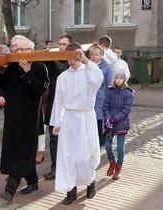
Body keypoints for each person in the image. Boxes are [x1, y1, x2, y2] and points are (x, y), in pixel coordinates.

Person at [0, 35, 49, 202]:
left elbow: (40, 90)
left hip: (30, 117)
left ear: (30, 50)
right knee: (19, 151)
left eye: (21, 48)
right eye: (14, 47)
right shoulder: (9, 65)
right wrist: (1, 69)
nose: (17, 51)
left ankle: (10, 190)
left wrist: (28, 73)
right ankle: (32, 181)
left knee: (21, 152)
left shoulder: (39, 66)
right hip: (12, 116)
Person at [50, 42, 103, 205]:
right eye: (68, 58)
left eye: (74, 57)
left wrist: (86, 60)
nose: (71, 61)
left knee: (84, 156)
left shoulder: (89, 72)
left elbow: (99, 77)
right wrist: (56, 122)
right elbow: (58, 100)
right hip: (69, 119)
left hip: (86, 117)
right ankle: (70, 190)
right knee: (68, 156)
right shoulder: (62, 77)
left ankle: (90, 182)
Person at [43, 34, 72, 180]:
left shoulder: (72, 62)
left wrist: (54, 60)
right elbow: (44, 71)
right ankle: (55, 167)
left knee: (66, 139)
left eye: (64, 44)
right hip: (52, 104)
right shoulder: (53, 61)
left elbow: (65, 71)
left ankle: (67, 167)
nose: (61, 47)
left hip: (68, 108)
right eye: (59, 44)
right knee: (53, 139)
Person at [104, 69, 134, 180]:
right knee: (107, 145)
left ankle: (118, 168)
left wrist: (114, 119)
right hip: (110, 123)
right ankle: (112, 162)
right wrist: (108, 118)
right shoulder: (109, 91)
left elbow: (126, 110)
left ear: (124, 79)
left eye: (121, 78)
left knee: (120, 147)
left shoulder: (128, 93)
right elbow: (105, 106)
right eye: (116, 78)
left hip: (122, 123)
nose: (118, 80)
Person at [89, 45, 113, 146]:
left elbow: (109, 83)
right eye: (92, 55)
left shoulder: (106, 68)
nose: (93, 56)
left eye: (96, 54)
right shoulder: (88, 65)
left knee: (99, 118)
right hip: (89, 95)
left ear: (101, 56)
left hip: (100, 96)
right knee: (90, 118)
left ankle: (100, 139)